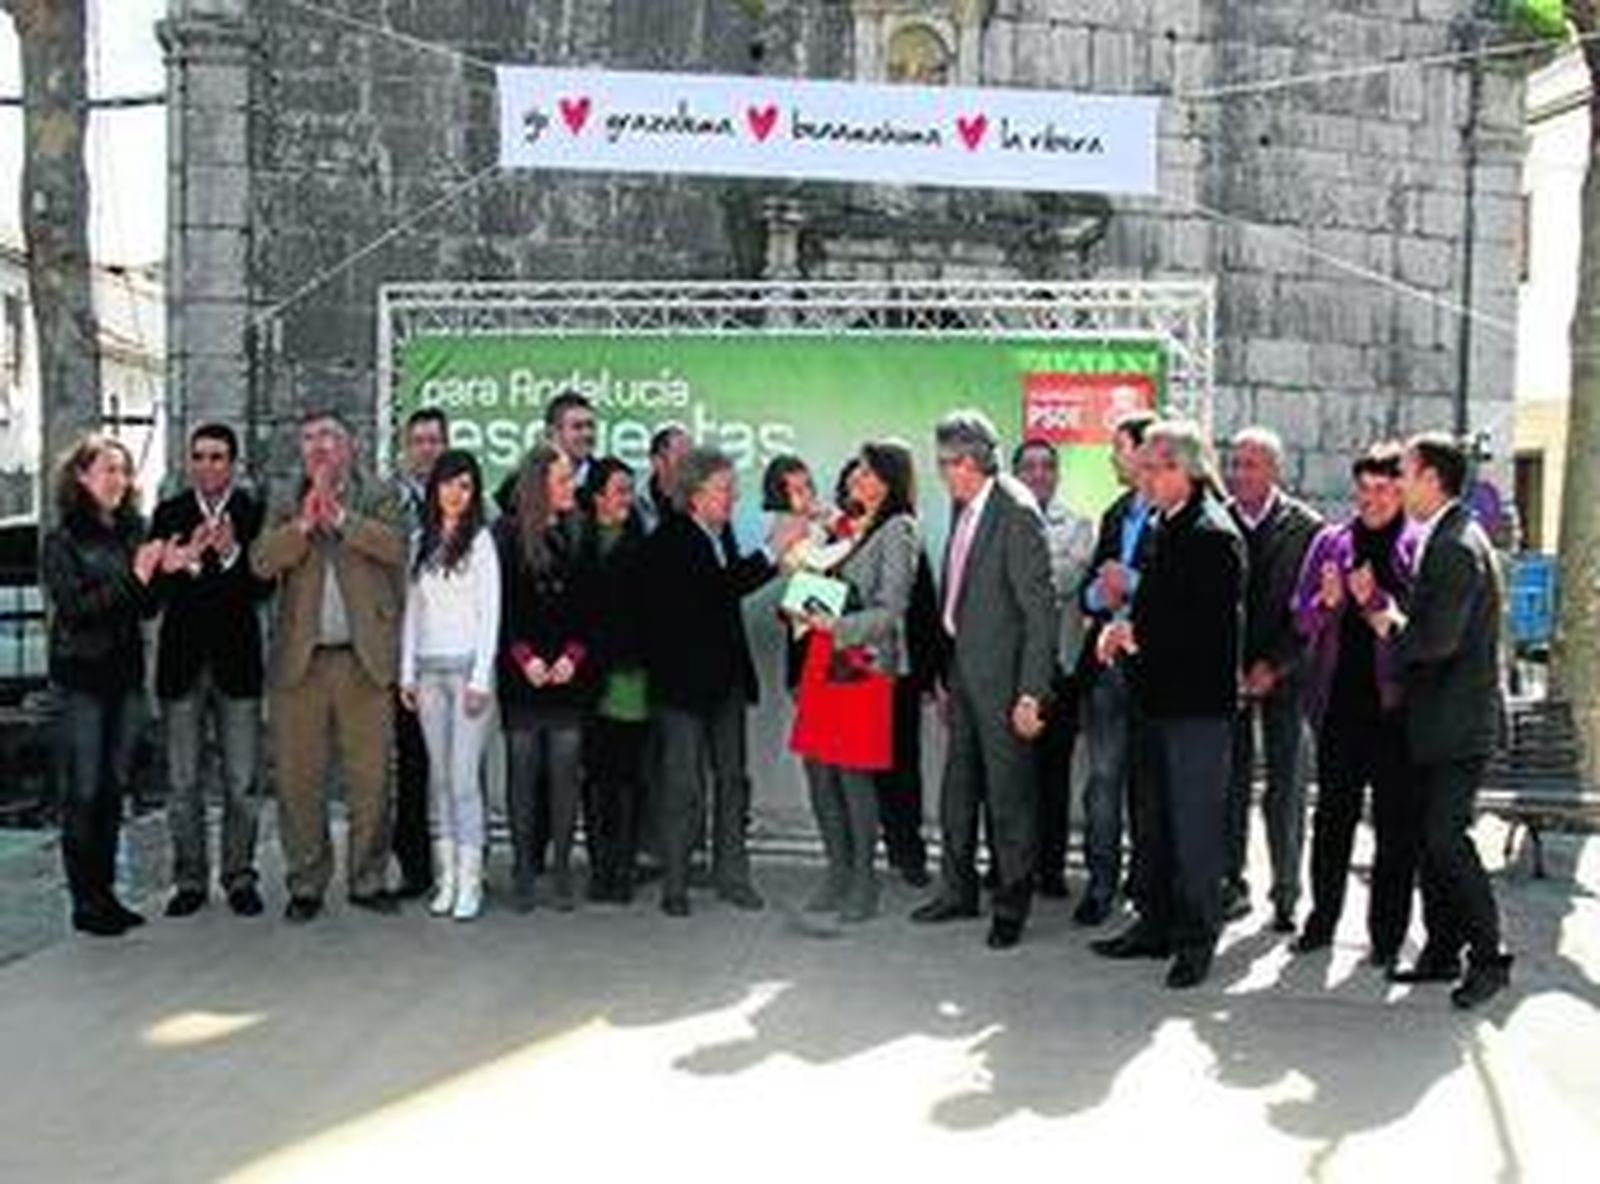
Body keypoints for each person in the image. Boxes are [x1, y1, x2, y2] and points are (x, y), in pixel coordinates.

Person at [1094, 420, 1245, 989]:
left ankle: (1196, 940)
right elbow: (1159, 605)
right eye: (1145, 467)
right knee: (1153, 821)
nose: (1147, 477)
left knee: (1194, 828)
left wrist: (1136, 636)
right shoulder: (1167, 522)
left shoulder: (1212, 533)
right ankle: (1153, 924)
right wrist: (1129, 628)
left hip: (1196, 709)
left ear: (1188, 470)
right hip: (1155, 700)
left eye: (1158, 468)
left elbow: (1209, 632)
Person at [1365, 432, 1513, 1010]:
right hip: (1442, 722)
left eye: (1404, 473)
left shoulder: (1454, 544)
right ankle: (1443, 951)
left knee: (1445, 839)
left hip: (1457, 724)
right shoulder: (1451, 534)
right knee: (1433, 841)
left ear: (1431, 478)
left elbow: (1437, 640)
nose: (1398, 483)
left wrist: (1389, 624)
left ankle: (1491, 957)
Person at [251, 410, 408, 922]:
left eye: (328, 436)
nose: (317, 446)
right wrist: (303, 523)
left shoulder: (378, 493)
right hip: (302, 663)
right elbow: (262, 561)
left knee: (371, 780)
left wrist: (339, 518)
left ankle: (367, 878)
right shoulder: (284, 497)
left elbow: (395, 547)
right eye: (309, 438)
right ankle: (306, 883)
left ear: (350, 445)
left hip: (364, 660)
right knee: (298, 780)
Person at [911, 411, 1056, 951]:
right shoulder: (964, 504)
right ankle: (958, 890)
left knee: (1008, 798)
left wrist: (1031, 693)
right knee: (958, 790)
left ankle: (1011, 906)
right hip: (964, 674)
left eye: (945, 463)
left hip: (1005, 684)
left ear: (969, 462)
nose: (941, 473)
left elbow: (1040, 614)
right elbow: (960, 596)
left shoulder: (1016, 511)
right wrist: (945, 672)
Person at [641, 447, 804, 917]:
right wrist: (770, 552)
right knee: (683, 786)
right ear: (695, 495)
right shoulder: (670, 539)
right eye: (725, 489)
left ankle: (732, 875)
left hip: (726, 680)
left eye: (734, 489)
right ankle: (676, 882)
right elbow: (713, 591)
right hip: (683, 688)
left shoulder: (722, 533)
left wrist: (776, 560)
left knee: (733, 780)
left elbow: (724, 594)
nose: (733, 498)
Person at [1290, 443, 1420, 965]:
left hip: (1397, 711)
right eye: (1363, 489)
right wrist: (1325, 604)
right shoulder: (1331, 541)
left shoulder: (1417, 545)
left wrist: (1374, 601)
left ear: (1402, 490)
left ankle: (1385, 938)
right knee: (1332, 821)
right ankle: (1321, 920)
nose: (1371, 499)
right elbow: (1300, 617)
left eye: (1383, 489)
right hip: (1339, 706)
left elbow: (1424, 628)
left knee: (1394, 828)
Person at [792, 442, 921, 923]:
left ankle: (864, 880)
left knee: (851, 771)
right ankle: (837, 871)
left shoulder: (898, 529)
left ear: (889, 482)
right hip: (823, 654)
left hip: (860, 660)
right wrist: (805, 598)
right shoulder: (845, 525)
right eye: (856, 472)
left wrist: (837, 626)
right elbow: (818, 582)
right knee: (818, 768)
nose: (855, 480)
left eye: (867, 473)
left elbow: (890, 610)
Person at [42, 435, 165, 937]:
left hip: (124, 675)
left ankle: (107, 892)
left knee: (114, 788)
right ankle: (85, 900)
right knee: (84, 789)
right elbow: (76, 609)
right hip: (81, 678)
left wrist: (160, 573)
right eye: (107, 470)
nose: (118, 480)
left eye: (124, 470)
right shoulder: (63, 539)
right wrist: (135, 578)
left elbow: (147, 607)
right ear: (81, 476)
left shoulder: (133, 530)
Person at [149, 423, 271, 919]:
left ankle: (239, 875)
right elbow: (152, 594)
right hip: (181, 666)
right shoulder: (169, 513)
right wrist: (183, 561)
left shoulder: (252, 513)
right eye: (198, 456)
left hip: (236, 667)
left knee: (242, 782)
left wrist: (230, 554)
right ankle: (190, 880)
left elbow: (264, 588)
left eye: (217, 457)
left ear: (233, 464)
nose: (206, 465)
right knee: (183, 784)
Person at [1223, 426, 1323, 931]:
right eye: (1234, 463)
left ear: (1274, 471)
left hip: (1288, 675)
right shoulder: (1217, 520)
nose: (1238, 474)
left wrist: (1275, 666)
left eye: (1250, 464)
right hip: (1229, 675)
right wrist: (1234, 668)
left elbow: (1314, 613)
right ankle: (1230, 884)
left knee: (1286, 788)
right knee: (1229, 784)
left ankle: (1286, 893)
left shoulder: (1306, 528)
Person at [399, 449, 500, 922]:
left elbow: (490, 613)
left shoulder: (481, 542)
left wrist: (481, 677)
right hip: (428, 672)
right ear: (434, 489)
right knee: (438, 778)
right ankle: (446, 878)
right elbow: (413, 612)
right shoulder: (421, 540)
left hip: (467, 674)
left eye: (465, 485)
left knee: (463, 778)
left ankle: (471, 879)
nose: (455, 494)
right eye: (447, 484)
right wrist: (406, 672)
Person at [495, 443, 596, 912]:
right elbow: (501, 609)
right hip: (522, 674)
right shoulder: (506, 535)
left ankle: (560, 871)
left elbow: (590, 607)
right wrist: (524, 658)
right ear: (540, 485)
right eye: (562, 480)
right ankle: (523, 870)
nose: (571, 487)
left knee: (565, 773)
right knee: (523, 773)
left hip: (568, 674)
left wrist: (573, 657)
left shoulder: (579, 531)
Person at [1074, 410, 1157, 925]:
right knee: (1102, 781)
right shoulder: (1114, 513)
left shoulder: (1177, 513)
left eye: (1119, 448)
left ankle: (1145, 885)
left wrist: (1133, 584)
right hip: (1106, 669)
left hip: (1153, 668)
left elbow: (1184, 592)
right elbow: (1090, 590)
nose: (1112, 458)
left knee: (1149, 785)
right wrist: (1099, 593)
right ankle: (1100, 884)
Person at [1012, 438, 1096, 901]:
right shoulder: (995, 523)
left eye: (1047, 466)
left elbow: (1062, 582)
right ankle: (1009, 866)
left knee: (1052, 776)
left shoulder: (1079, 525)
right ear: (1014, 475)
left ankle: (1049, 868)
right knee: (1009, 776)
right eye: (1029, 467)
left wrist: (1016, 574)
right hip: (1009, 668)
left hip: (1058, 670)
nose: (1039, 474)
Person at [583, 457, 652, 904]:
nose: (628, 499)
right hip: (587, 677)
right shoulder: (577, 542)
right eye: (620, 490)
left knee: (628, 774)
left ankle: (623, 867)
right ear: (597, 498)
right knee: (595, 774)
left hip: (629, 675)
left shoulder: (643, 546)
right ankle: (599, 867)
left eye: (630, 490)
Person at [390, 407, 449, 900]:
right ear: (406, 447)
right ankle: (414, 865)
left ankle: (459, 863)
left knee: (455, 765)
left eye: (435, 440)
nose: (428, 449)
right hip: (401, 649)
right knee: (411, 764)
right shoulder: (387, 500)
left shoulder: (467, 501)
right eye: (420, 441)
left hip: (450, 649)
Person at [638, 424, 691, 535]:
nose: (688, 464)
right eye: (680, 456)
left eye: (689, 456)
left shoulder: (700, 501)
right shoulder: (636, 501)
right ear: (657, 460)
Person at [545, 390, 599, 489]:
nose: (587, 433)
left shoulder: (607, 480)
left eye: (590, 426)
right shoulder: (533, 480)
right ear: (554, 433)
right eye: (577, 427)